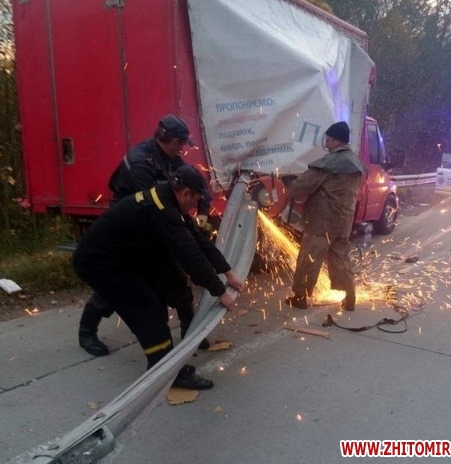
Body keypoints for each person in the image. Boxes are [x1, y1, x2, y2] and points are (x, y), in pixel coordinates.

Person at [73, 165, 244, 389]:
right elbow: (190, 255)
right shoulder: (161, 210)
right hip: (99, 262)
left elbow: (198, 241)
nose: (196, 206)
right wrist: (220, 292)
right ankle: (166, 372)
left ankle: (164, 363)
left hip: (125, 255)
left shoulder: (167, 199)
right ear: (186, 193)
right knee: (147, 308)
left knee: (152, 300)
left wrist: (228, 272)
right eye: (196, 200)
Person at [78, 115, 212, 357]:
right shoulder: (140, 162)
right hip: (131, 231)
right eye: (182, 144)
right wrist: (185, 231)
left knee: (177, 280)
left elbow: (195, 185)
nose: (183, 149)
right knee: (118, 287)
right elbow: (158, 206)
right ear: (173, 142)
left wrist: (201, 214)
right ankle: (87, 332)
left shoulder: (171, 158)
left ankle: (189, 331)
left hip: (156, 225)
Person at [285, 121, 365, 311]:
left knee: (309, 259)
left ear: (337, 141)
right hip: (344, 221)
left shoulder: (329, 163)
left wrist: (288, 183)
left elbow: (301, 187)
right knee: (340, 259)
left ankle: (300, 297)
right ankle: (350, 296)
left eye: (328, 140)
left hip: (322, 222)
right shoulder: (355, 162)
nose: (326, 143)